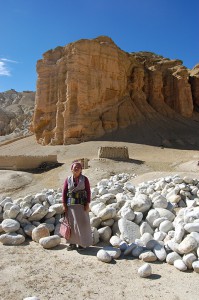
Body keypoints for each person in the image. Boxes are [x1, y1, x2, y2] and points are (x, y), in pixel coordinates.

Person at [62, 161, 92, 251]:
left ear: (81, 169)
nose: (76, 169)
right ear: (71, 169)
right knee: (71, 224)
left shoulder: (85, 179)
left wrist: (87, 203)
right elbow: (64, 192)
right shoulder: (67, 179)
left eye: (78, 167)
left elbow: (88, 191)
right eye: (74, 167)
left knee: (83, 224)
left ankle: (82, 243)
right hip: (71, 206)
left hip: (82, 205)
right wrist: (64, 204)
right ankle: (72, 244)